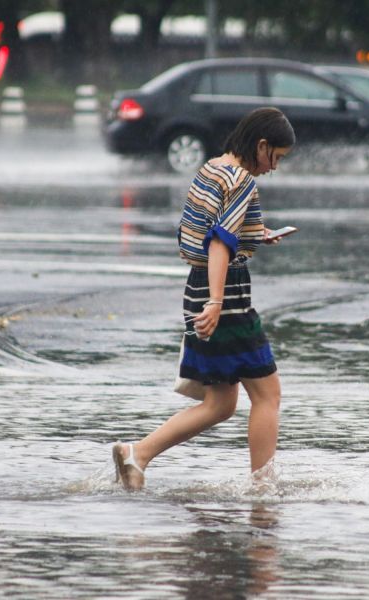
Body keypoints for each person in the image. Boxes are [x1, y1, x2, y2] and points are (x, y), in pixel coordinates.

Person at [113, 107, 296, 492]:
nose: (274, 167)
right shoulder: (243, 180)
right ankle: (264, 489)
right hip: (225, 294)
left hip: (197, 286)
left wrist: (255, 234)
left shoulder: (214, 168)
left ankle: (137, 454)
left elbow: (206, 229)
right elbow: (218, 241)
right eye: (275, 157)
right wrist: (216, 302)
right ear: (261, 146)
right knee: (268, 394)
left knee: (221, 404)